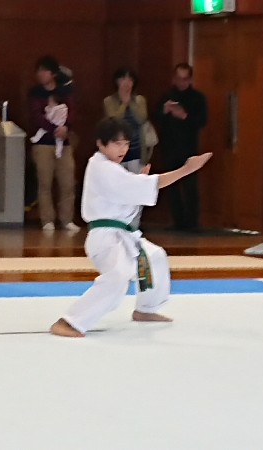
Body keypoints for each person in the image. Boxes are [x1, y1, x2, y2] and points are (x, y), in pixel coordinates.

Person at [50, 118, 212, 337]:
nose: (122, 149)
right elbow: (141, 187)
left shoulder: (111, 169)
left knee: (155, 257)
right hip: (105, 239)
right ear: (101, 144)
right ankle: (70, 321)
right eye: (117, 144)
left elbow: (127, 195)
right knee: (117, 277)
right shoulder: (101, 167)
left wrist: (138, 183)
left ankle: (146, 309)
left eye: (126, 144)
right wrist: (185, 169)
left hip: (122, 235)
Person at [155, 63, 208, 232]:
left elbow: (202, 121)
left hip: (189, 147)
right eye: (178, 78)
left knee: (190, 186)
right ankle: (177, 221)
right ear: (174, 78)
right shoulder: (166, 96)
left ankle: (192, 222)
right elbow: (155, 119)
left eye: (185, 79)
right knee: (172, 186)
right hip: (169, 147)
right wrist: (164, 111)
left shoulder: (198, 98)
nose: (181, 82)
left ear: (190, 79)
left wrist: (184, 116)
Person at [28, 55, 79, 232]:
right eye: (39, 71)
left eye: (45, 70)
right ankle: (47, 219)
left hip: (64, 143)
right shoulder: (35, 93)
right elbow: (36, 115)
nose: (41, 74)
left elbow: (72, 111)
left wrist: (66, 127)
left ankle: (67, 219)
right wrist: (53, 128)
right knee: (45, 182)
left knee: (67, 182)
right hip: (43, 143)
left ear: (54, 73)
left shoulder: (65, 91)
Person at [103, 67, 150, 228]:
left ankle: (134, 225)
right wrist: (123, 103)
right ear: (117, 81)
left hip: (137, 150)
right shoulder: (109, 101)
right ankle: (118, 223)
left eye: (130, 79)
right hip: (117, 153)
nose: (127, 83)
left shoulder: (139, 100)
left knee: (137, 188)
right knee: (118, 189)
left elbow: (142, 118)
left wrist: (130, 101)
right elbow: (114, 119)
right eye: (123, 79)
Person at [30, 93, 67, 159]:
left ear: (55, 102)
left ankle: (35, 139)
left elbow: (49, 116)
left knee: (41, 130)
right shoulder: (64, 108)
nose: (49, 103)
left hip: (53, 123)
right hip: (61, 125)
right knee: (59, 141)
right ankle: (58, 153)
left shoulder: (54, 109)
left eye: (50, 101)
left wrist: (46, 115)